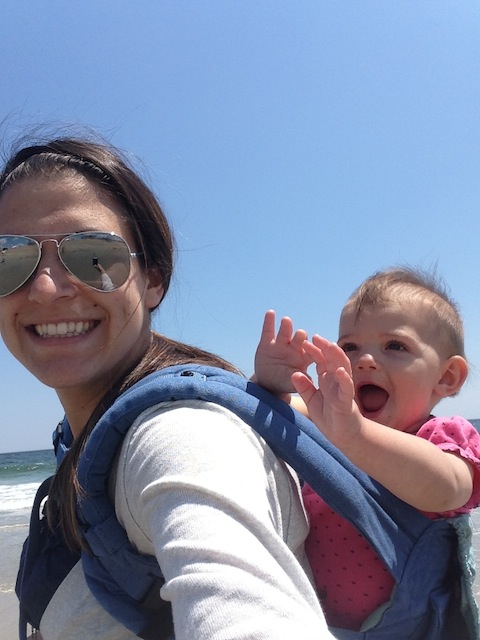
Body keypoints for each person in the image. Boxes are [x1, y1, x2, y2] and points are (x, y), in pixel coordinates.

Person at [0, 135, 335, 640]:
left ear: (153, 280)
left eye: (93, 256)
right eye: (10, 259)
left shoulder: (182, 435)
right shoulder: (82, 438)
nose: (46, 288)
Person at [254, 267, 480, 631]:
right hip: (309, 620)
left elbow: (449, 489)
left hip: (400, 628)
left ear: (446, 377)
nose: (364, 361)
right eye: (350, 347)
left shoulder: (439, 437)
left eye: (395, 346)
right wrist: (269, 383)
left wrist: (357, 436)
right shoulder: (330, 419)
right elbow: (272, 413)